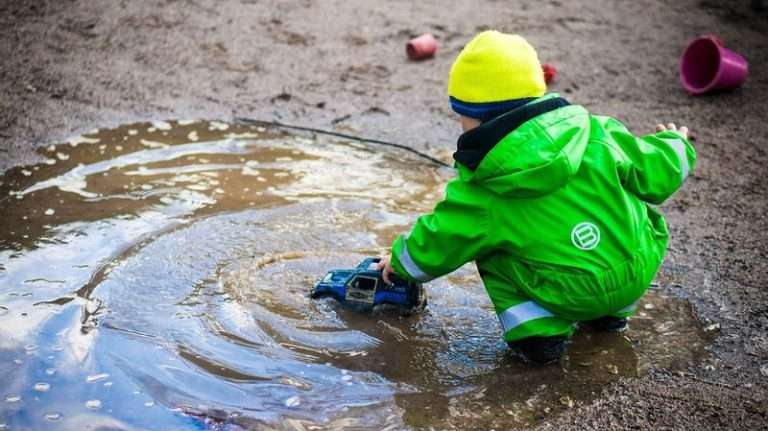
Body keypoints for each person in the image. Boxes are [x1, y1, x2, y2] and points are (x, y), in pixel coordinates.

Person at [377, 30, 696, 364]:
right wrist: (676, 143)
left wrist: (399, 264)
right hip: (635, 271)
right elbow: (657, 169)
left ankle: (538, 337)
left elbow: (441, 239)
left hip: (566, 293)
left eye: (461, 114)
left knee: (487, 247)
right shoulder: (597, 132)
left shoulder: (482, 188)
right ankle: (609, 317)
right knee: (626, 207)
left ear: (473, 117)